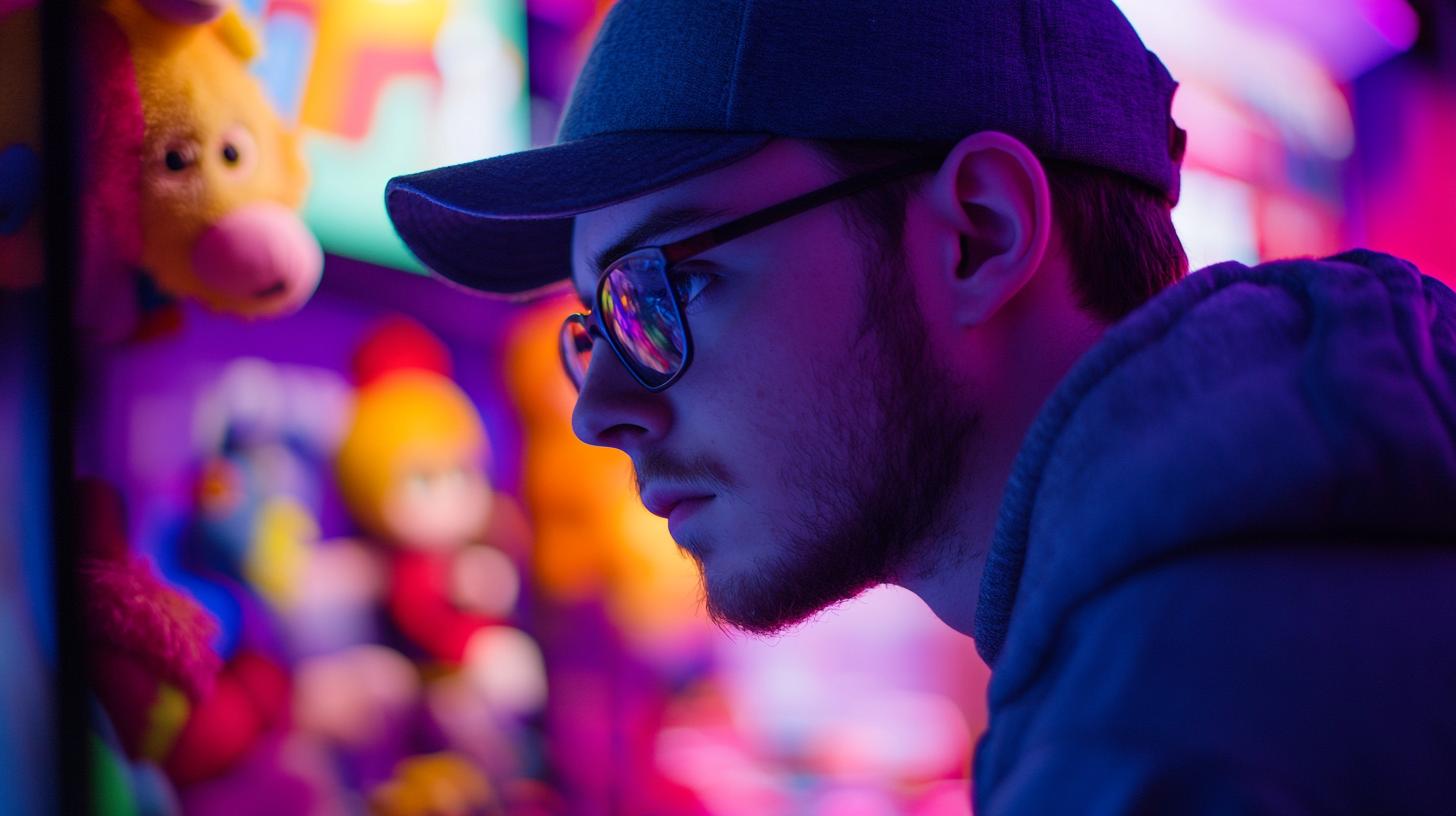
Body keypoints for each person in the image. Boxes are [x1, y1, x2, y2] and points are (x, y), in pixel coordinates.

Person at [384, 0, 1456, 811]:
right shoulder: (1248, 594)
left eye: (662, 288)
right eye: (595, 325)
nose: (599, 409)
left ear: (977, 235)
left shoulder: (1168, 737)